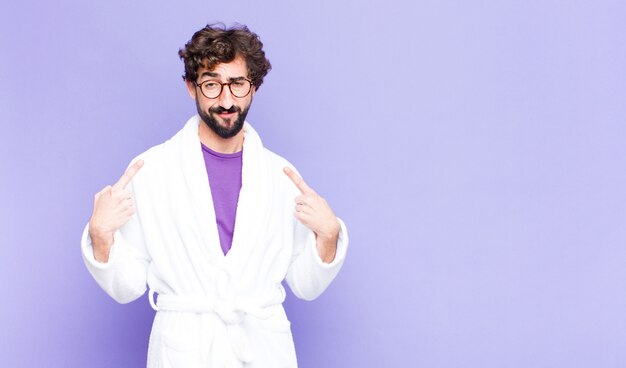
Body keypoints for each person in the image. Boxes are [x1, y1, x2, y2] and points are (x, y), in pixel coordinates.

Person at [81, 23, 348, 368]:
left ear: (253, 88)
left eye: (237, 84)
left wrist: (328, 236)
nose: (226, 100)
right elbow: (126, 285)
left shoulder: (282, 177)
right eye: (211, 85)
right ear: (192, 87)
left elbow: (305, 284)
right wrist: (102, 237)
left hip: (262, 350)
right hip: (184, 350)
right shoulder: (151, 169)